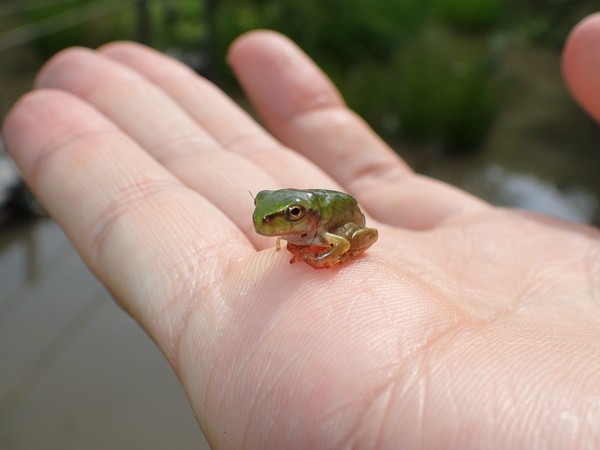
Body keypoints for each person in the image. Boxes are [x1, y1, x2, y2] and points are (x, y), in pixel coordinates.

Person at [2, 12, 599, 449]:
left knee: (355, 241)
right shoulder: (284, 217)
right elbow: (276, 213)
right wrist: (290, 232)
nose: (271, 224)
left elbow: (349, 236)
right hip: (324, 215)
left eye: (284, 218)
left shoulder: (323, 224)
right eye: (270, 213)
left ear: (302, 218)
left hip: (352, 223)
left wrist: (324, 253)